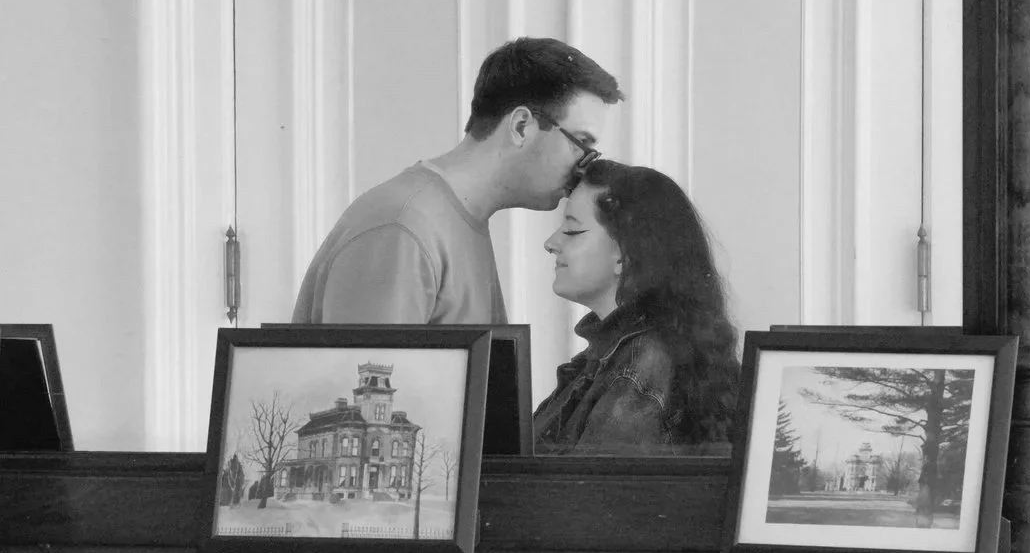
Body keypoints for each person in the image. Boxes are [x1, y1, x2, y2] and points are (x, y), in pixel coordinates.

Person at [292, 37, 623, 324]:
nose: (586, 166)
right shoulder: (401, 229)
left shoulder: (449, 219)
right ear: (522, 126)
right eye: (581, 143)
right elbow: (365, 392)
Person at [532, 160, 740, 454]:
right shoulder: (612, 358)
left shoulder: (640, 364)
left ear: (626, 255)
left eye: (572, 231)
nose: (550, 243)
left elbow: (585, 495)